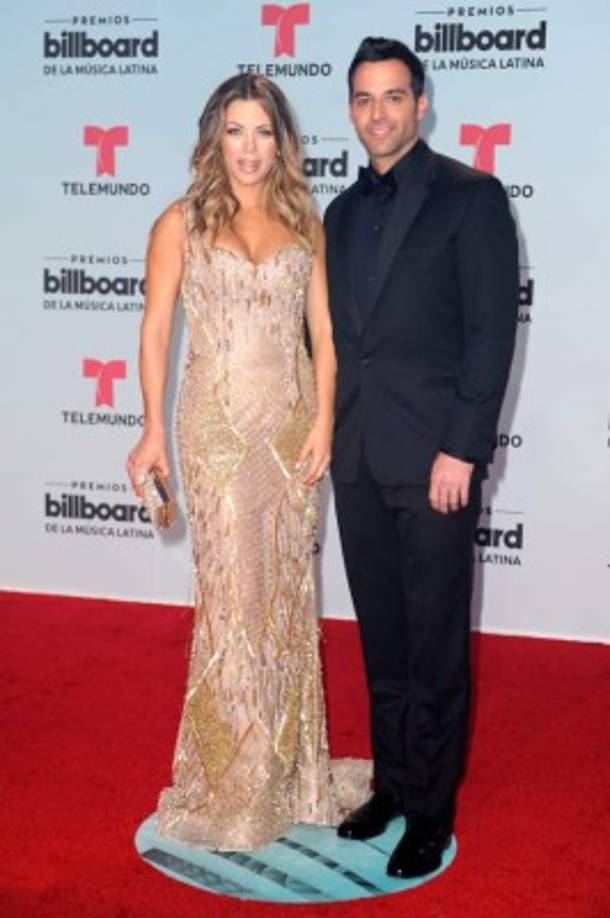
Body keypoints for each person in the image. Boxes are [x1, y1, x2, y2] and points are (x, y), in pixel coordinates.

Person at [126, 74, 340, 850]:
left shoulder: (303, 221)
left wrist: (321, 420)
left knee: (284, 597)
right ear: (213, 139)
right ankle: (234, 777)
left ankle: (289, 769)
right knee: (231, 602)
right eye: (235, 132)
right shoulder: (179, 223)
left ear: (281, 142)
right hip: (213, 427)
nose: (249, 149)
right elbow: (154, 333)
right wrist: (151, 430)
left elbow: (322, 335)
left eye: (262, 132)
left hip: (287, 430)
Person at [324, 37, 519, 878]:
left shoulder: (471, 198)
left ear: (422, 102)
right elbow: (335, 345)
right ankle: (395, 784)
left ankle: (431, 810)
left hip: (436, 461)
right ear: (351, 110)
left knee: (436, 643)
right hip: (358, 457)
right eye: (364, 99)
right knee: (384, 639)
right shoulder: (335, 213)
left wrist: (462, 451)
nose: (379, 113)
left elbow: (490, 337)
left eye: (393, 97)